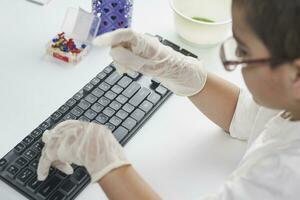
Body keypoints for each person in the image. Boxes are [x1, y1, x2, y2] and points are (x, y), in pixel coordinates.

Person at [37, 0, 300, 199]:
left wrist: (104, 162)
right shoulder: (291, 102)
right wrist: (175, 68)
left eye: (243, 50)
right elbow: (248, 117)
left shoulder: (286, 175)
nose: (237, 60)